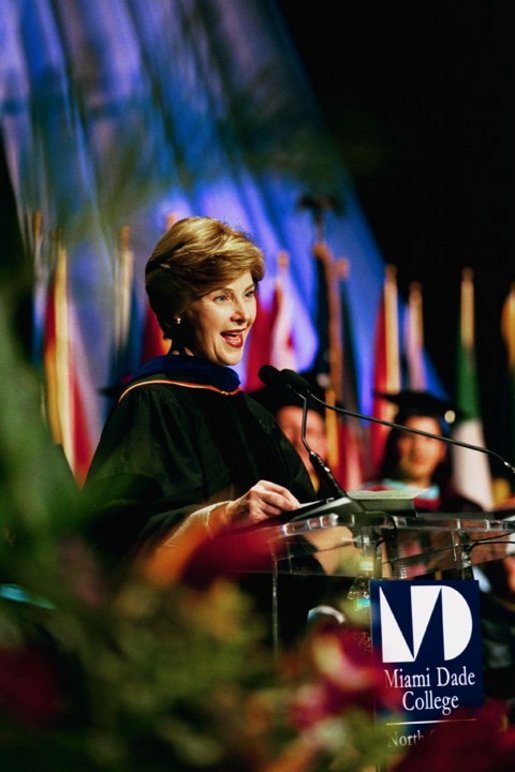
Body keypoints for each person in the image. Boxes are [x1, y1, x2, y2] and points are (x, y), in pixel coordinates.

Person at [84, 216, 323, 643]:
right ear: (177, 310)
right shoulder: (151, 402)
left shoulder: (252, 414)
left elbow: (309, 529)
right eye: (221, 297)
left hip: (272, 649)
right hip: (188, 650)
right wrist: (222, 518)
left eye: (248, 294)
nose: (242, 314)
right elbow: (110, 539)